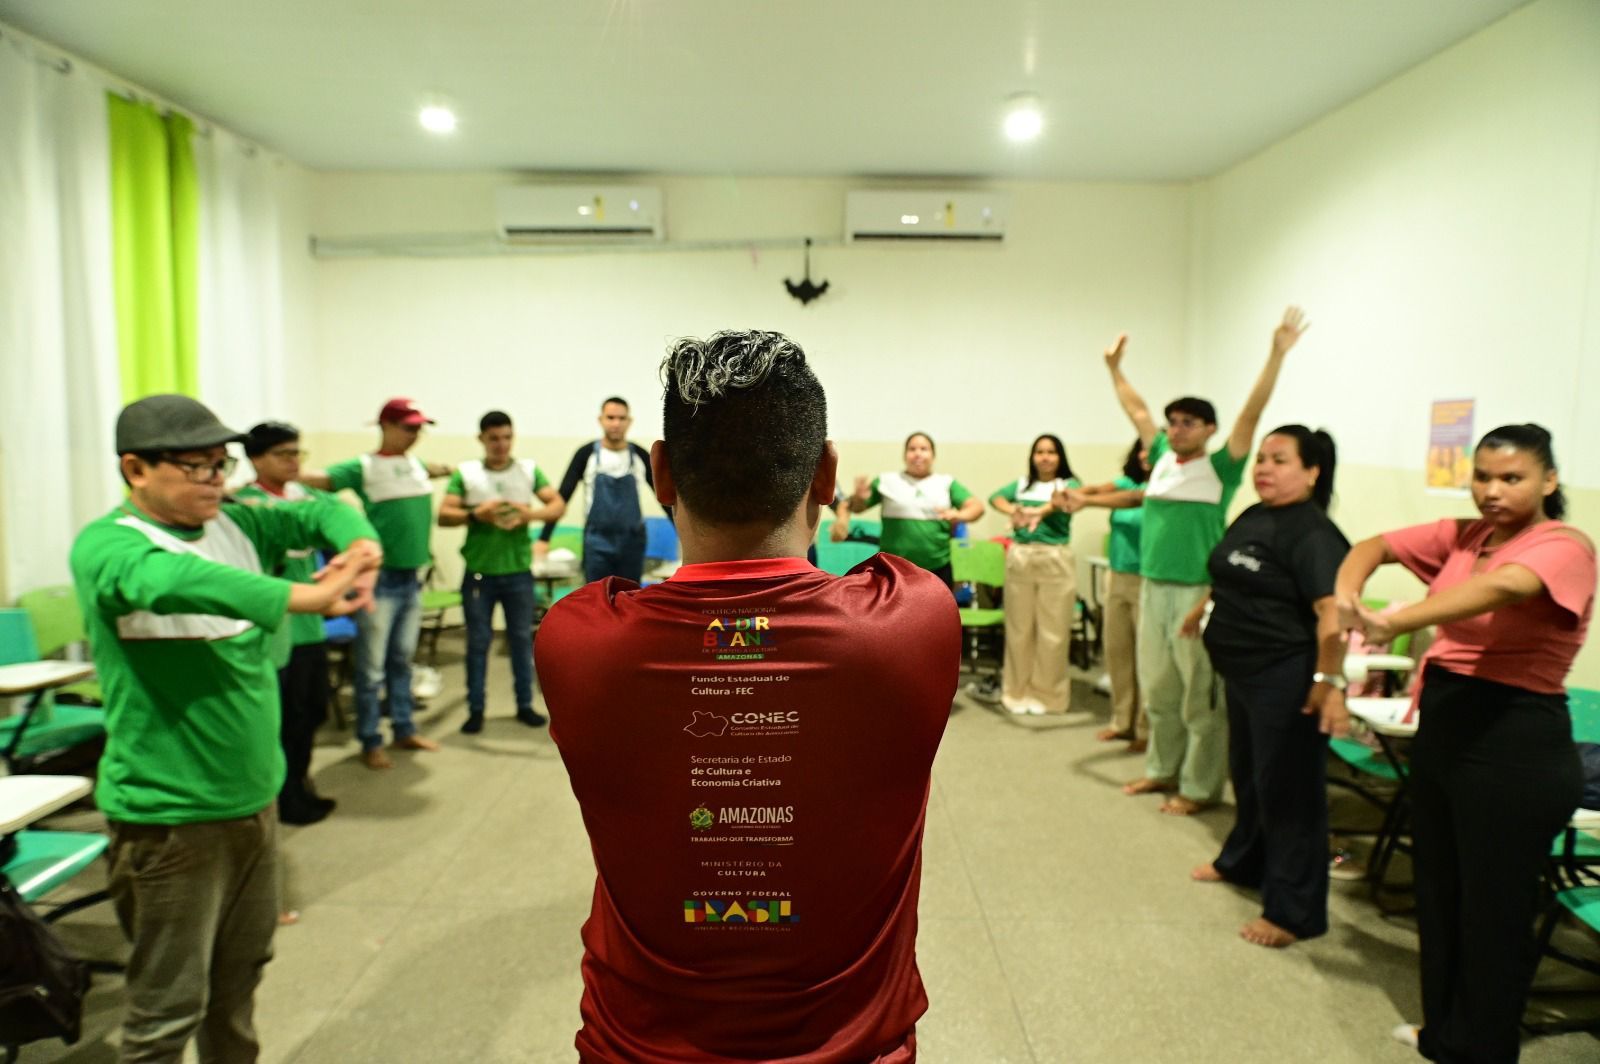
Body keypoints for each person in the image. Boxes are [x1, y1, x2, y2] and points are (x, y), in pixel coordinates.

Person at [537, 330, 958, 1063]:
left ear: (660, 473)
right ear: (826, 474)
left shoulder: (576, 640)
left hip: (636, 1048)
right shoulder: (916, 622)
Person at [71, 395, 382, 1063]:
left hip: (253, 803)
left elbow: (322, 506)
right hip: (170, 819)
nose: (216, 479)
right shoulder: (110, 545)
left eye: (221, 464)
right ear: (136, 468)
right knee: (166, 1007)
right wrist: (302, 596)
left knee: (239, 980)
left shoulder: (238, 521)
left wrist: (360, 544)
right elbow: (171, 579)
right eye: (196, 467)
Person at [1335, 424, 1594, 1062]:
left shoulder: (1564, 544)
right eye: (1483, 477)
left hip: (1514, 744)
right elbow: (1372, 545)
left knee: (1495, 913)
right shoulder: (1466, 535)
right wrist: (1346, 595)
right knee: (1441, 892)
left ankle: (1482, 1048)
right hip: (1448, 732)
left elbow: (1504, 588)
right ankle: (1443, 1032)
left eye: (1513, 478)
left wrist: (1394, 619)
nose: (1493, 491)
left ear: (1549, 481)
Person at [1061, 308, 1308, 814]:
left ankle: (1198, 787)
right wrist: (1114, 370)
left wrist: (1276, 354)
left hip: (1197, 593)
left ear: (1209, 429)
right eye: (1172, 422)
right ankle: (1161, 770)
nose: (1175, 429)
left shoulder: (1222, 468)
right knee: (1160, 689)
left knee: (1200, 697)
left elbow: (1250, 417)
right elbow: (1136, 410)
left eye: (1187, 423)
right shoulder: (1161, 463)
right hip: (1151, 586)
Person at [1187, 426, 1349, 948]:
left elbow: (1333, 614)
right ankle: (1243, 862)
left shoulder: (1313, 533)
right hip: (1243, 674)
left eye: (1279, 460)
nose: (1263, 468)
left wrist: (1329, 682)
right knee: (1251, 778)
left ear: (1312, 471)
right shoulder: (1258, 514)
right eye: (1261, 459)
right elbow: (1231, 571)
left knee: (1290, 793)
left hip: (1288, 676)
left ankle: (1293, 912)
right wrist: (1201, 610)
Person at [303, 398, 450, 769]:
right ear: (385, 426)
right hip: (379, 582)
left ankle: (403, 728)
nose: (416, 434)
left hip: (411, 579)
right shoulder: (363, 467)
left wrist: (453, 469)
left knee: (402, 660)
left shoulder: (415, 466)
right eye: (409, 427)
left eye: (420, 428)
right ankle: (370, 738)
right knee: (370, 669)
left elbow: (435, 469)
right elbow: (320, 481)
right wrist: (283, 472)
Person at [235, 421, 344, 826]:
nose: (293, 462)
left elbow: (338, 521)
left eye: (297, 453)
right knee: (283, 717)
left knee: (312, 710)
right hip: (276, 627)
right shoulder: (242, 507)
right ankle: (283, 795)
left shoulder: (307, 497)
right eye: (283, 454)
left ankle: (298, 781)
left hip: (310, 625)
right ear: (255, 459)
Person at [438, 410, 565, 733]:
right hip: (479, 573)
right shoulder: (467, 474)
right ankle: (476, 709)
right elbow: (444, 515)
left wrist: (528, 515)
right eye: (494, 438)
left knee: (522, 641)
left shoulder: (527, 470)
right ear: (482, 439)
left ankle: (524, 705)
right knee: (478, 642)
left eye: (507, 437)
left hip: (518, 572)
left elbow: (557, 505)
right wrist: (476, 514)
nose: (501, 444)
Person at [985, 434, 1081, 715]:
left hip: (1054, 559)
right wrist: (1016, 510)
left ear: (1060, 456)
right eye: (1039, 451)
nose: (1045, 457)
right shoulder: (1023, 484)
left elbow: (1064, 501)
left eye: (1051, 452)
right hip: (1022, 557)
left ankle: (1048, 696)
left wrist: (1037, 510)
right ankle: (1016, 692)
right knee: (1019, 629)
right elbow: (995, 498)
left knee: (1053, 632)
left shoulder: (1068, 484)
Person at [536, 396, 657, 583]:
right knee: (597, 600)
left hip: (632, 543)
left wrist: (684, 536)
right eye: (610, 417)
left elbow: (664, 497)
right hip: (597, 543)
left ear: (629, 421)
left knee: (630, 600)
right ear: (600, 419)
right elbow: (562, 497)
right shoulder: (586, 454)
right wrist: (544, 538)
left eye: (621, 418)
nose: (616, 423)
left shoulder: (641, 456)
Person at [841, 432, 984, 588]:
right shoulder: (886, 481)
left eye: (924, 449)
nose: (918, 454)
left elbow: (977, 508)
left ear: (933, 455)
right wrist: (858, 498)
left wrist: (958, 514)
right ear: (904, 455)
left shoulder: (946, 483)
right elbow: (857, 508)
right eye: (912, 449)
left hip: (937, 569)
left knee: (936, 612)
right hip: (893, 569)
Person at [1081, 439, 1150, 750]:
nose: (1147, 455)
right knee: (1118, 651)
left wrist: (1085, 501)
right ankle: (1122, 722)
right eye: (1143, 449)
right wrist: (1073, 495)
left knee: (1146, 659)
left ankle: (1146, 729)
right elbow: (1095, 491)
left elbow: (1130, 501)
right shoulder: (1125, 483)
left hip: (1147, 579)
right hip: (1116, 575)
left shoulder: (1165, 489)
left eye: (1154, 449)